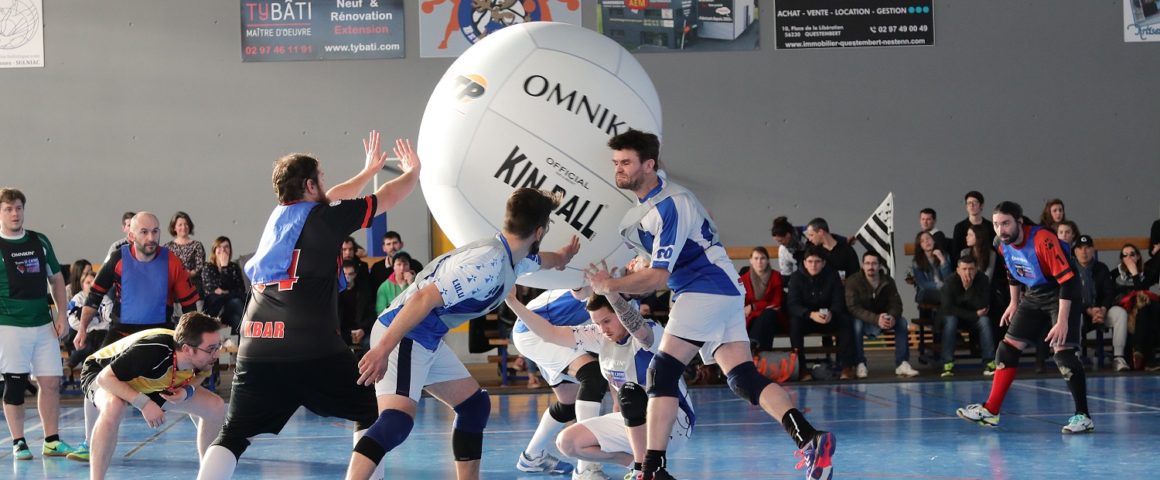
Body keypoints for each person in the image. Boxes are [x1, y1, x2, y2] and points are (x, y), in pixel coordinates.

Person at [586, 129, 834, 480]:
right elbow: (664, 262)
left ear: (649, 165)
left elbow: (658, 278)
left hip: (705, 289)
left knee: (661, 373)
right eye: (616, 162)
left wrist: (610, 285)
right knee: (742, 378)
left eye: (626, 162)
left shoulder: (671, 204)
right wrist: (639, 266)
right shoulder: (653, 204)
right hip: (719, 290)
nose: (618, 169)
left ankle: (652, 470)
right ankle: (810, 439)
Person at [195, 131, 421, 479]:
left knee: (234, 433)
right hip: (312, 345)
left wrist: (366, 172)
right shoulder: (326, 219)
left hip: (257, 343)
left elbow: (331, 198)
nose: (326, 185)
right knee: (369, 410)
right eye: (321, 178)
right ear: (310, 185)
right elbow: (387, 196)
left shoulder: (277, 219)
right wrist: (413, 171)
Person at [346, 187, 580, 480]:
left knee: (474, 406)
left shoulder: (514, 256)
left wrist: (564, 256)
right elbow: (423, 299)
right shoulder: (486, 264)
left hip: (428, 336)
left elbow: (544, 260)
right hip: (406, 332)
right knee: (397, 421)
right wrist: (382, 349)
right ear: (540, 231)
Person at [508, 291, 693, 480]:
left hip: (671, 423)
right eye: (597, 323)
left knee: (630, 393)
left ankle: (643, 470)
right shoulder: (599, 336)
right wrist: (512, 301)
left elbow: (639, 330)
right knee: (568, 442)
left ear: (621, 313)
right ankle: (639, 467)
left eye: (606, 321)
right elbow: (550, 334)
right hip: (635, 422)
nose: (603, 329)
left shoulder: (650, 332)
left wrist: (609, 289)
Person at [957, 201, 1094, 434]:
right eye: (997, 224)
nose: (1001, 230)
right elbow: (1013, 270)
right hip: (1034, 294)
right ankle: (991, 410)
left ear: (1019, 222)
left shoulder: (1043, 240)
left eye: (1006, 223)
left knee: (1063, 353)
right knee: (1007, 349)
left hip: (1062, 293)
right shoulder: (1000, 243)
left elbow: (1068, 282)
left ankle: (1083, 416)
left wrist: (1062, 321)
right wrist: (1014, 302)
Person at [76, 312, 226, 479]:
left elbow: (203, 374)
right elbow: (104, 378)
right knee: (115, 406)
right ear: (187, 349)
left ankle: (208, 476)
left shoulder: (205, 357)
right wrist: (144, 403)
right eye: (211, 349)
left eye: (218, 347)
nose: (216, 354)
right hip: (103, 373)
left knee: (215, 407)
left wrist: (187, 391)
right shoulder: (153, 349)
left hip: (151, 381)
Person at [0, 187, 76, 460]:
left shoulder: (39, 241)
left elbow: (56, 279)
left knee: (51, 381)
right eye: (8, 209)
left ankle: (52, 440)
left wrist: (61, 315)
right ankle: (18, 441)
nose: (15, 214)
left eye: (18, 208)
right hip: (9, 325)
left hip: (43, 324)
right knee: (15, 384)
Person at [511, 287, 609, 478]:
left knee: (569, 404)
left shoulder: (630, 299)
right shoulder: (599, 282)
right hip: (534, 330)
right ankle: (586, 468)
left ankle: (532, 457)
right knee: (592, 375)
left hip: (560, 331)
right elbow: (578, 292)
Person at [75, 212, 201, 349]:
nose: (151, 238)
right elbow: (95, 296)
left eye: (155, 231)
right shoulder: (117, 259)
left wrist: (192, 338)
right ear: (131, 236)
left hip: (159, 335)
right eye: (144, 232)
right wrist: (82, 329)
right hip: (121, 333)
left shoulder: (173, 262)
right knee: (98, 363)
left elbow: (189, 306)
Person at [786, 247, 858, 380]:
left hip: (828, 318)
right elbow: (793, 305)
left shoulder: (832, 275)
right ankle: (801, 369)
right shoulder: (796, 277)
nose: (813, 265)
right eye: (810, 261)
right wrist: (810, 314)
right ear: (805, 262)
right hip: (807, 319)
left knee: (846, 320)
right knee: (794, 323)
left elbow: (839, 300)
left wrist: (832, 313)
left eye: (817, 261)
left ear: (823, 263)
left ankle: (846, 367)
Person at [845, 252, 918, 378]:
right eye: (867, 263)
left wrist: (891, 317)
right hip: (864, 320)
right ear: (863, 265)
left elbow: (896, 304)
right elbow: (853, 307)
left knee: (902, 322)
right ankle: (860, 363)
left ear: (879, 266)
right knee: (856, 323)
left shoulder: (888, 281)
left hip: (884, 320)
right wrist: (876, 319)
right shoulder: (853, 281)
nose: (870, 267)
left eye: (874, 263)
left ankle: (902, 364)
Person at [939, 256, 997, 377]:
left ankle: (989, 361)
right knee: (950, 322)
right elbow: (948, 308)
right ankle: (947, 363)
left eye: (971, 269)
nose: (967, 272)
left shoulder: (983, 279)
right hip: (957, 317)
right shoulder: (949, 281)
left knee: (985, 321)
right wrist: (974, 313)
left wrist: (969, 288)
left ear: (976, 269)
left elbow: (983, 305)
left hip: (974, 318)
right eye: (964, 269)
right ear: (958, 270)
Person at [1070, 236, 1122, 371]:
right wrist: (1088, 310)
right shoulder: (1069, 269)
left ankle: (1118, 357)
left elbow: (1109, 293)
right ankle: (1076, 357)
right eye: (1080, 248)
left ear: (1093, 250)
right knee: (1073, 313)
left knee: (1120, 313)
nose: (1084, 251)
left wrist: (1103, 310)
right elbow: (1069, 295)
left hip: (1100, 312)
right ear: (1075, 251)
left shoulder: (1101, 268)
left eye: (1087, 248)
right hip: (1081, 312)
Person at [1110, 244, 1159, 370]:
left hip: (1142, 309)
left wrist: (1135, 274)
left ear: (1138, 257)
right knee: (1147, 309)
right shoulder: (1114, 274)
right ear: (1121, 259)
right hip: (1124, 309)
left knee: (1148, 307)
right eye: (1125, 255)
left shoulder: (1147, 273)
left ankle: (1139, 352)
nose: (1129, 258)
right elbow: (1115, 297)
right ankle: (1146, 357)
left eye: (1132, 254)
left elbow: (1141, 292)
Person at [740, 246, 784, 352]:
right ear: (751, 260)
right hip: (751, 318)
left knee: (768, 314)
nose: (759, 262)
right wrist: (763, 306)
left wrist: (753, 306)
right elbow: (742, 305)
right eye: (756, 258)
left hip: (772, 317)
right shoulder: (743, 279)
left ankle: (753, 347)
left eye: (762, 258)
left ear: (768, 260)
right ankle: (758, 351)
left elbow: (776, 303)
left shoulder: (775, 276)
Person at [67, 269, 111, 371]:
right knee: (89, 342)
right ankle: (94, 368)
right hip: (79, 331)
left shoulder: (105, 299)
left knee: (98, 339)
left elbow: (108, 320)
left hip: (100, 332)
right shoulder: (77, 299)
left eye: (94, 282)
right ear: (82, 285)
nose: (91, 285)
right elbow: (72, 319)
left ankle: (72, 363)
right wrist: (87, 328)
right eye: (88, 282)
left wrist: (94, 327)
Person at [201, 236, 246, 335]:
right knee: (236, 305)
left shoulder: (234, 267)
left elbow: (241, 290)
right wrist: (224, 266)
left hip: (229, 308)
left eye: (226, 247)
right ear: (214, 250)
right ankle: (248, 335)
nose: (223, 250)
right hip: (214, 309)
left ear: (230, 250)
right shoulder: (208, 267)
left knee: (236, 311)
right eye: (219, 247)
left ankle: (237, 344)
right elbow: (212, 291)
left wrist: (225, 292)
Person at [166, 211, 207, 296]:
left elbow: (200, 267)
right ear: (174, 228)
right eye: (180, 225)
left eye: (186, 224)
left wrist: (189, 274)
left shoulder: (197, 245)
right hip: (173, 285)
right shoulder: (167, 247)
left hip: (193, 284)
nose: (183, 227)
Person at [910, 231, 952, 306]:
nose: (926, 242)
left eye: (928, 238)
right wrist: (940, 285)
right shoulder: (917, 262)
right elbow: (923, 284)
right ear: (920, 246)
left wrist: (942, 260)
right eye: (922, 241)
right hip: (926, 292)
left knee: (949, 296)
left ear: (934, 241)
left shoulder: (944, 255)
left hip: (945, 291)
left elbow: (948, 279)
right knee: (947, 297)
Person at [952, 191, 991, 263]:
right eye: (969, 203)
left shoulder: (990, 226)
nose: (971, 205)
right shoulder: (959, 227)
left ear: (981, 205)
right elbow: (956, 252)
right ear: (966, 207)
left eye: (975, 202)